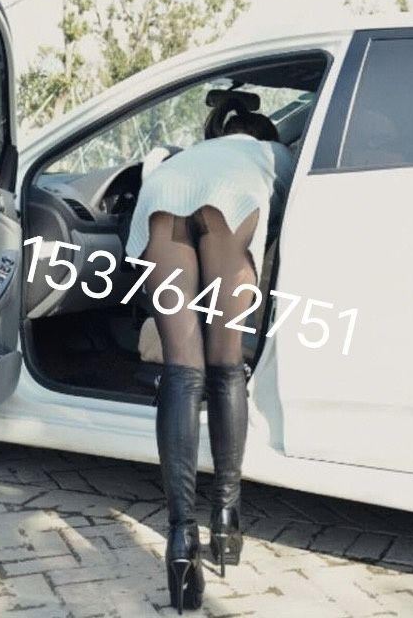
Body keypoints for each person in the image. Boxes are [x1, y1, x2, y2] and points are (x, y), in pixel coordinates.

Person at [125, 99, 295, 612]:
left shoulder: (193, 153)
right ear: (262, 133)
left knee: (182, 368)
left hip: (164, 194)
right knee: (225, 364)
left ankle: (180, 540)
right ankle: (226, 520)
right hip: (232, 200)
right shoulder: (273, 154)